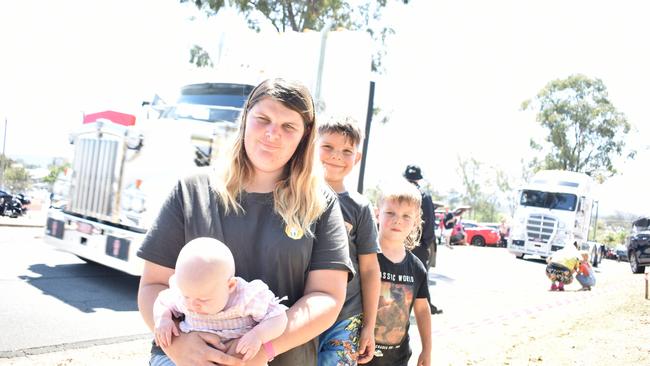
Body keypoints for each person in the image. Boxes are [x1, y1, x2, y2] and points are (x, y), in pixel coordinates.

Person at [137, 78, 354, 366]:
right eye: (262, 119)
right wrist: (179, 346)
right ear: (244, 120)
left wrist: (264, 349)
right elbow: (153, 285)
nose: (272, 133)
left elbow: (326, 296)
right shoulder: (191, 191)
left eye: (288, 127)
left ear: (305, 137)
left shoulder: (321, 205)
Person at [153, 237, 288, 362]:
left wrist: (258, 335)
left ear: (230, 286)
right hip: (193, 359)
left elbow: (278, 317)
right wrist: (163, 318)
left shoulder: (246, 298)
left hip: (239, 359)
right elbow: (162, 301)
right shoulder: (183, 294)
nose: (193, 304)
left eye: (204, 299)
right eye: (187, 296)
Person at [316, 116, 381, 365]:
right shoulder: (295, 195)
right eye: (328, 147)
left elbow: (369, 269)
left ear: (357, 157)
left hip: (345, 316)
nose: (336, 156)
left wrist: (369, 326)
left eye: (346, 151)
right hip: (299, 313)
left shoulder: (360, 207)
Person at [367, 180, 431, 366]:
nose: (397, 220)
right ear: (377, 212)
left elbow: (422, 309)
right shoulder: (364, 258)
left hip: (397, 360)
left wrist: (427, 349)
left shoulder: (417, 267)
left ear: (416, 221)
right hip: (357, 356)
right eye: (390, 213)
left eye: (406, 216)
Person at [403, 164, 442, 315]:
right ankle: (426, 306)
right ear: (419, 178)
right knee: (421, 276)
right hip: (418, 243)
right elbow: (430, 222)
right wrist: (426, 242)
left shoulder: (400, 194)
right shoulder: (424, 196)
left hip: (399, 241)